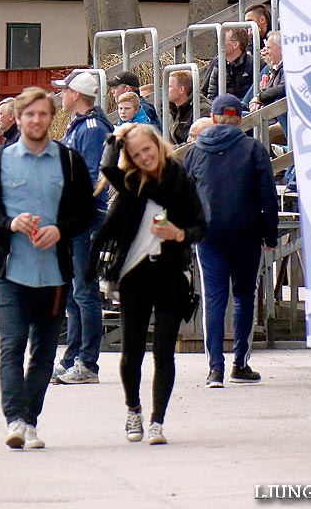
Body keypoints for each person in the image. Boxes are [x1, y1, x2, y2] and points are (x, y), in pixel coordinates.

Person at [0, 87, 94, 450]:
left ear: (51, 116)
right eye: (29, 115)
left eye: (43, 114)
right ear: (18, 119)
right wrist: (9, 223)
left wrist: (60, 229)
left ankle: (30, 420)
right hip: (11, 270)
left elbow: (86, 212)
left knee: (43, 351)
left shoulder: (68, 161)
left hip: (54, 274)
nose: (36, 120)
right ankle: (14, 420)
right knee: (11, 346)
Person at [94, 123, 207, 445]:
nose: (144, 158)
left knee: (164, 352)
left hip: (170, 272)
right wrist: (116, 138)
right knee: (131, 351)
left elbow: (201, 226)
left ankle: (158, 420)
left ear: (159, 146)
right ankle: (133, 410)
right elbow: (105, 166)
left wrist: (179, 234)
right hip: (134, 275)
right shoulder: (131, 183)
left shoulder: (181, 181)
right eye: (136, 153)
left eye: (148, 150)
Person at [185, 95, 278, 387]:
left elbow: (184, 194)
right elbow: (268, 196)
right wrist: (270, 234)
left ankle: (215, 368)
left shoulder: (195, 150)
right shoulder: (253, 149)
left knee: (214, 299)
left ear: (212, 119)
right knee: (244, 295)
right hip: (246, 232)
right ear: (239, 119)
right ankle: (240, 362)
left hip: (208, 234)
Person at [52, 70, 112, 385]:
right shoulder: (80, 127)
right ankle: (73, 356)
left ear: (77, 94)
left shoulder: (89, 128)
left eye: (65, 91)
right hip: (76, 217)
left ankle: (87, 362)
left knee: (84, 292)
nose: (61, 95)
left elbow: (92, 178)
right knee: (77, 292)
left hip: (84, 218)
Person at [202, 27, 255, 103]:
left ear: (235, 44)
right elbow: (209, 93)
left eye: (222, 40)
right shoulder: (217, 63)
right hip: (220, 110)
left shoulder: (254, 64)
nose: (218, 44)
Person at [166, 72, 195, 145]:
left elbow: (193, 143)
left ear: (181, 89)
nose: (166, 90)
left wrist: (170, 151)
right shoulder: (173, 109)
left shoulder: (201, 109)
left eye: (169, 86)